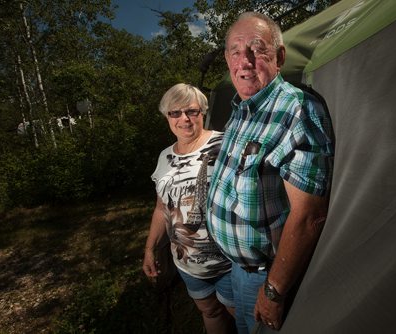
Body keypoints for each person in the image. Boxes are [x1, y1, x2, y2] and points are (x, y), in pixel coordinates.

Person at [206, 12, 335, 333]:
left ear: (279, 57)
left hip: (268, 275)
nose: (245, 61)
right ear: (227, 59)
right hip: (235, 267)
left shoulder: (296, 109)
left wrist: (274, 290)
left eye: (257, 49)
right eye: (235, 51)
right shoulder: (241, 109)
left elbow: (310, 216)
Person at [143, 83, 237, 334]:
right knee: (209, 311)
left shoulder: (225, 143)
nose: (184, 119)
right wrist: (150, 249)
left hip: (230, 262)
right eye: (175, 113)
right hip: (188, 265)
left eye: (191, 111)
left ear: (203, 112)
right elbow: (161, 206)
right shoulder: (164, 156)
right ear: (167, 117)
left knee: (240, 316)